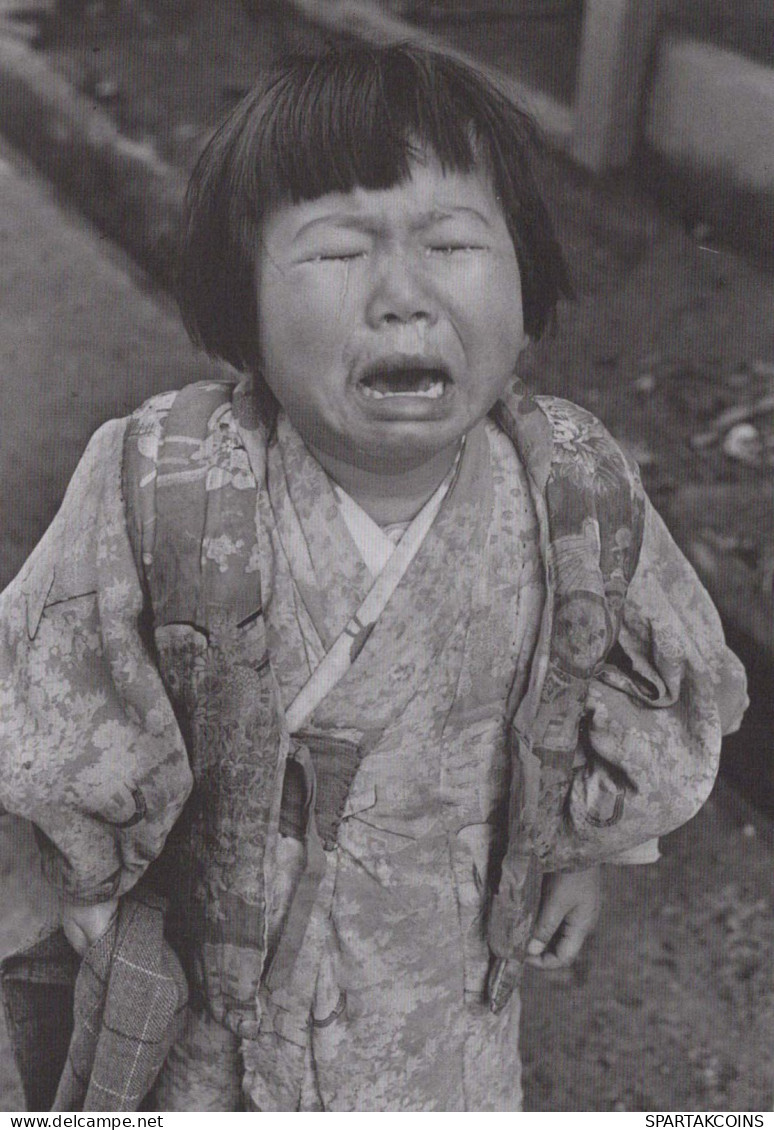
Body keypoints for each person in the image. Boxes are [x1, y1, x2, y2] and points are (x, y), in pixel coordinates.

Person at [0, 42, 747, 1112]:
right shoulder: (155, 483)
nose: (404, 295)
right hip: (219, 991)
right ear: (241, 308)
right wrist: (84, 870)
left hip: (438, 989)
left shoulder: (576, 495)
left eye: (452, 241)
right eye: (340, 252)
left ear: (529, 283)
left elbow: (619, 682)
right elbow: (63, 690)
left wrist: (592, 846)